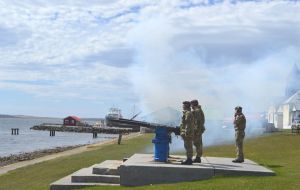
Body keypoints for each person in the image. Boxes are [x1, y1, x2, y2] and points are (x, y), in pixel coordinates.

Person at [180, 101, 194, 165]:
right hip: (188, 132)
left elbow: (188, 124)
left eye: (183, 105)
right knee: (188, 146)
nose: (182, 106)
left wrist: (186, 132)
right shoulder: (187, 113)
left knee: (188, 146)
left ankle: (189, 160)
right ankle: (189, 159)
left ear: (186, 106)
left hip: (188, 133)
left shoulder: (188, 113)